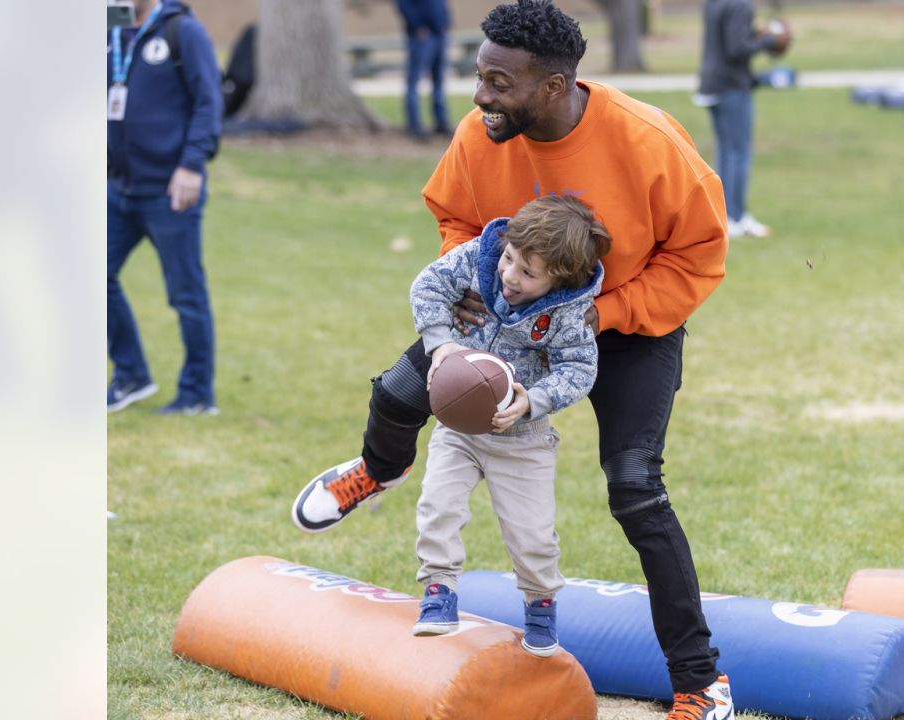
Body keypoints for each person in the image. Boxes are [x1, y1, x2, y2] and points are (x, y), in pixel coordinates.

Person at [292, 1, 735, 715]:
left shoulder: (647, 140)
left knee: (636, 491)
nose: (480, 96)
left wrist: (600, 313)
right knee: (398, 395)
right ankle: (379, 469)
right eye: (479, 76)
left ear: (552, 88)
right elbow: (455, 215)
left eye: (499, 83)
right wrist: (466, 279)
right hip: (503, 311)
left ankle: (700, 680)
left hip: (623, 322)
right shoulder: (480, 134)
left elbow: (698, 255)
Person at [406, 194, 607, 657]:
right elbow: (428, 286)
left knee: (532, 533)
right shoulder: (482, 258)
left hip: (522, 439)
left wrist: (532, 401)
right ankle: (438, 591)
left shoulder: (567, 313)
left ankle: (540, 602)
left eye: (527, 273)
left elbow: (579, 369)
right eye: (511, 260)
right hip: (458, 427)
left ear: (559, 281)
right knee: (438, 506)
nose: (510, 276)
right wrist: (440, 346)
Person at [107, 0, 223, 414]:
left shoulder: (181, 31)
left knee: (185, 295)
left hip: (170, 189)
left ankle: (196, 395)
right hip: (117, 187)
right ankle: (130, 375)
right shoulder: (110, 30)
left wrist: (192, 165)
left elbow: (209, 101)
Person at [696, 0, 790, 239]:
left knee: (726, 153)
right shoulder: (742, 5)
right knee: (738, 152)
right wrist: (769, 41)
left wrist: (753, 34)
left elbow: (726, 38)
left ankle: (725, 215)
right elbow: (737, 49)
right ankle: (736, 218)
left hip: (711, 83)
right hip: (732, 87)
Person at [396, 0, 453, 139]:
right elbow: (402, 4)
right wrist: (418, 27)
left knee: (439, 81)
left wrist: (446, 23)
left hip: (440, 34)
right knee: (414, 81)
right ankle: (414, 125)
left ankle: (441, 122)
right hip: (421, 37)